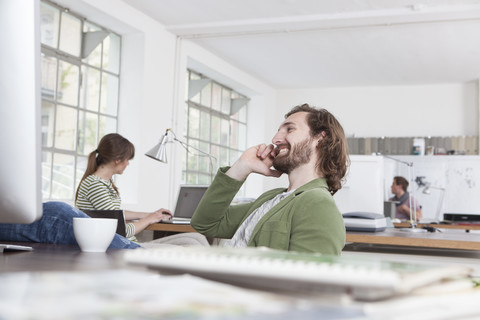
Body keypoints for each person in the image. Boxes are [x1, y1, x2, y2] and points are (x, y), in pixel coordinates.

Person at [191, 104, 349, 255]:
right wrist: (242, 167)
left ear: (320, 138)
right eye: (278, 131)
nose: (275, 139)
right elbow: (206, 223)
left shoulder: (318, 204)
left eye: (289, 129)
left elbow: (306, 279)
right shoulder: (272, 198)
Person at [75, 133, 171, 241]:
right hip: (120, 247)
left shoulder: (103, 183)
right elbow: (120, 231)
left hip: (124, 244)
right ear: (117, 159)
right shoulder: (95, 185)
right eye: (127, 159)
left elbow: (116, 213)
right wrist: (148, 219)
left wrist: (150, 215)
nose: (128, 164)